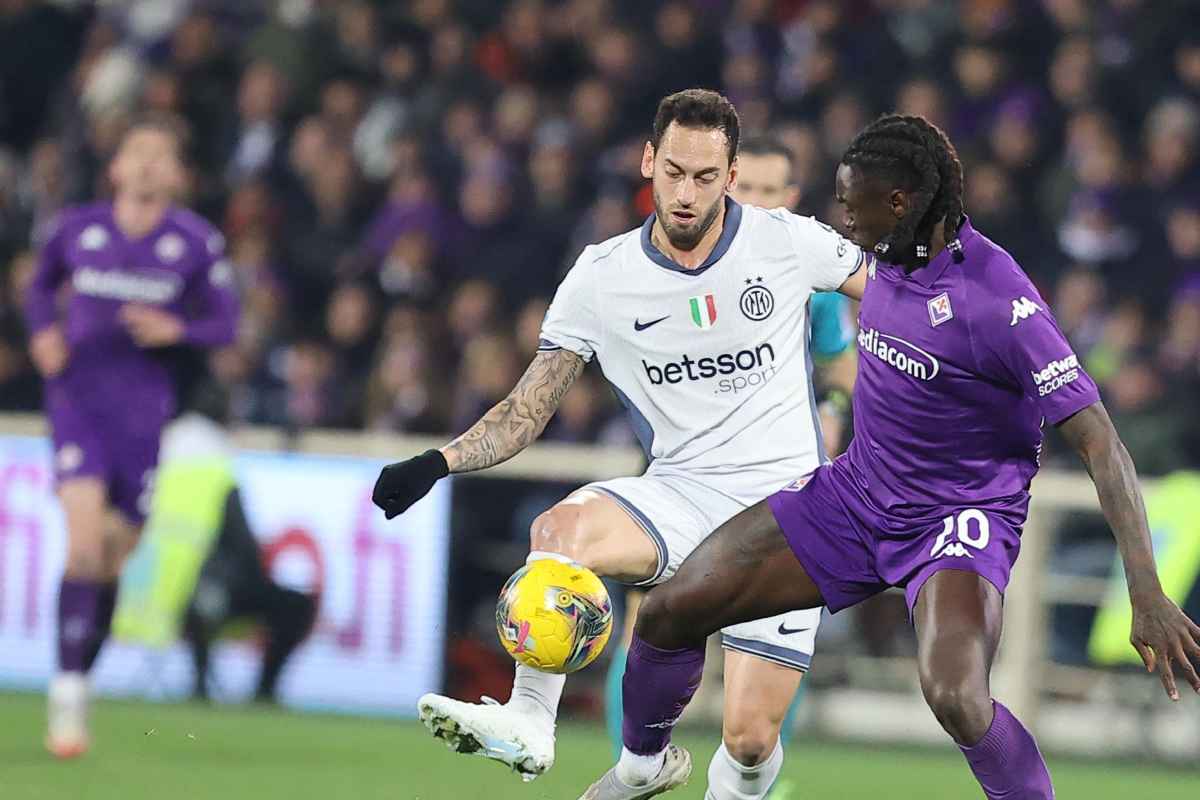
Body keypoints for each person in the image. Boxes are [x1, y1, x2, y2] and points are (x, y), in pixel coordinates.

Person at [587, 114, 1200, 800]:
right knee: (671, 610)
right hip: (854, 496)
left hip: (956, 519)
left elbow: (1102, 444)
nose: (842, 219)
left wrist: (1146, 591)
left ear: (901, 203)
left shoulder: (997, 300)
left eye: (854, 204)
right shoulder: (881, 252)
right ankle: (640, 771)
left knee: (956, 695)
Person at [371, 89, 868, 799]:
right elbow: (528, 405)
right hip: (681, 493)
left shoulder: (787, 241)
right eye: (673, 172)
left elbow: (893, 293)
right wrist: (439, 461)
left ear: (730, 177)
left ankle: (675, 775)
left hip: (788, 513)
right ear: (647, 162)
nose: (686, 193)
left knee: (751, 741)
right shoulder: (602, 275)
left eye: (704, 177)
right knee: (561, 529)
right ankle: (531, 721)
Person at [599, 133, 859, 775]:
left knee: (770, 639)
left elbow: (843, 367)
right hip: (682, 474)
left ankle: (758, 772)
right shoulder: (670, 258)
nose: (759, 202)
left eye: (774, 192)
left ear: (792, 198)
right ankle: (632, 766)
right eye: (748, 190)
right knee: (648, 621)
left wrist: (830, 415)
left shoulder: (810, 273)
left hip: (777, 479)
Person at [24, 114, 239, 758]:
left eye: (159, 155)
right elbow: (38, 287)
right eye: (135, 153)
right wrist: (40, 332)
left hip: (145, 416)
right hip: (77, 403)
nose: (146, 163)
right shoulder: (76, 228)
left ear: (177, 175)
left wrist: (178, 331)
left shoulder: (196, 243)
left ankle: (80, 673)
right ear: (115, 168)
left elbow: (224, 325)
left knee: (115, 555)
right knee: (84, 545)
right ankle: (67, 697)